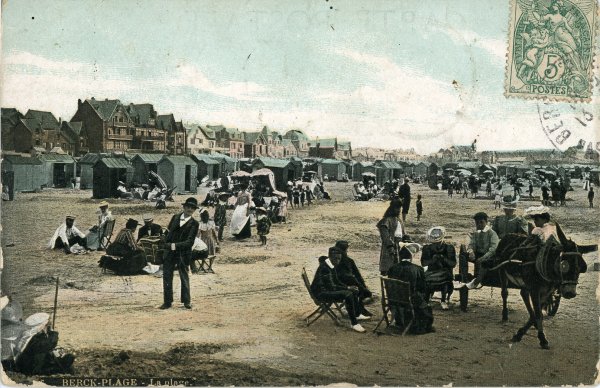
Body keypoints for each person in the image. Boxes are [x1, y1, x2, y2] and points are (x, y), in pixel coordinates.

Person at [310, 247, 371, 333]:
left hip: (326, 291)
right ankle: (354, 323)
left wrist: (349, 288)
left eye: (339, 259)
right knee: (348, 294)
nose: (338, 261)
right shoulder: (325, 268)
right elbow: (332, 287)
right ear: (330, 257)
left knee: (352, 291)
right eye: (336, 258)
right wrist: (347, 288)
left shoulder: (331, 265)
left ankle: (356, 314)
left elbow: (336, 282)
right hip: (321, 294)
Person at [160, 197, 200, 310]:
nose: (190, 209)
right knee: (167, 276)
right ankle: (167, 302)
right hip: (169, 253)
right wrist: (164, 239)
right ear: (184, 207)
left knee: (184, 276)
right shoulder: (175, 217)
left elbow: (189, 242)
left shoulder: (194, 223)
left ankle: (186, 301)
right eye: (188, 207)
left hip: (183, 253)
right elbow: (168, 231)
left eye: (193, 208)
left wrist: (173, 246)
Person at [387, 246, 435, 334]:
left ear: (400, 257)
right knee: (421, 299)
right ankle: (417, 324)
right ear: (411, 257)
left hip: (393, 300)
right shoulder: (417, 269)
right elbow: (422, 288)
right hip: (409, 301)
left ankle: (400, 321)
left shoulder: (392, 268)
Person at [420, 227, 456, 310]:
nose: (435, 244)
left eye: (438, 242)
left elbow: (453, 264)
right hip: (431, 272)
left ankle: (443, 300)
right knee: (424, 277)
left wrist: (443, 258)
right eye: (434, 243)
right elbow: (423, 263)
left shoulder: (449, 248)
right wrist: (432, 260)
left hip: (445, 272)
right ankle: (426, 299)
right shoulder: (427, 248)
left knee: (445, 277)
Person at [463, 212, 499, 289]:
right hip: (478, 254)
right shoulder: (476, 233)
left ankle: (478, 280)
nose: (479, 224)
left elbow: (493, 249)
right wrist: (471, 252)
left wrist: (483, 258)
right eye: (477, 223)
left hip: (489, 256)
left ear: (486, 222)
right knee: (463, 255)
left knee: (484, 262)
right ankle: (464, 277)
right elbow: (471, 245)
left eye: (481, 222)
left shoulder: (492, 233)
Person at [377, 199, 404, 275]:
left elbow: (403, 234)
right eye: (397, 208)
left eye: (399, 208)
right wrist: (390, 247)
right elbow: (385, 236)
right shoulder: (386, 221)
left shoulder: (399, 220)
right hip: (390, 247)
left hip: (400, 246)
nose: (399, 210)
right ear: (392, 208)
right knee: (388, 268)